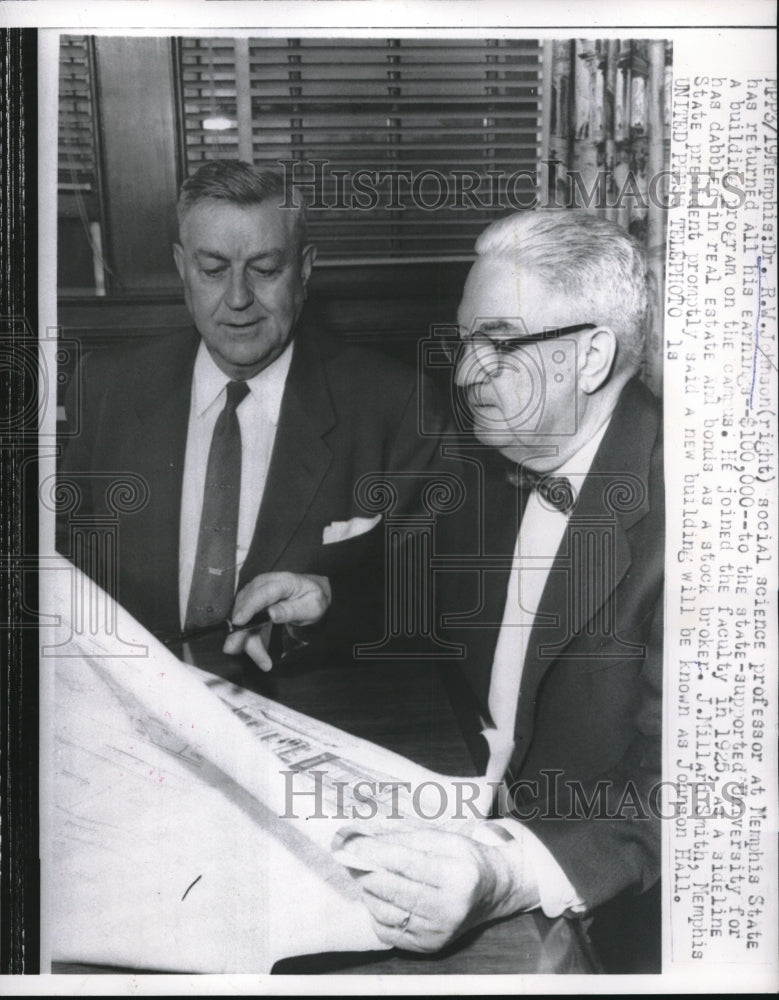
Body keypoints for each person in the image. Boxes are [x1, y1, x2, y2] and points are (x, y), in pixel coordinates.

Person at [336, 210, 663, 970]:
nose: (463, 372)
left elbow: (679, 789)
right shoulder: (505, 448)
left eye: (499, 342)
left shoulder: (702, 521)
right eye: (462, 341)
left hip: (598, 920)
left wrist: (506, 874)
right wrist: (325, 596)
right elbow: (413, 567)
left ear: (588, 358)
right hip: (463, 817)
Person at [57, 160, 450, 669]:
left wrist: (333, 600)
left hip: (310, 704)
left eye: (265, 270)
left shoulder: (397, 404)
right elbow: (61, 560)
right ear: (182, 268)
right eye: (213, 270)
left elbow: (430, 591)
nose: (239, 298)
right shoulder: (107, 385)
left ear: (304, 269)